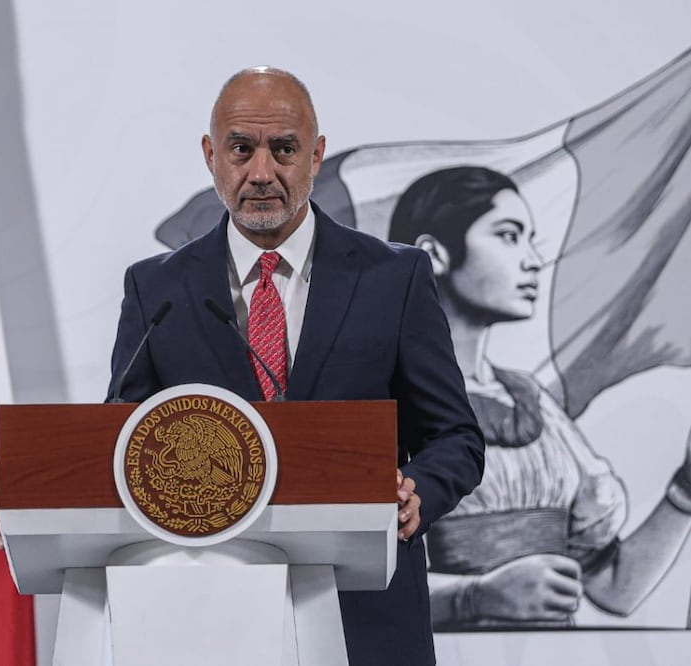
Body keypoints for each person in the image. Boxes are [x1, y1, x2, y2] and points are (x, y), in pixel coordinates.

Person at [102, 67, 485, 665]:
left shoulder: (394, 278)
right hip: (209, 614)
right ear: (210, 155)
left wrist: (417, 491)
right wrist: (33, 496)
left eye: (284, 149)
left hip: (366, 610)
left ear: (316, 155)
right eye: (240, 149)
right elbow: (121, 443)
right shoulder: (157, 288)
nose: (261, 173)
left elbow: (455, 436)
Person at [386, 165, 691, 629]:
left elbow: (613, 587)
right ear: (434, 255)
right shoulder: (383, 399)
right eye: (508, 236)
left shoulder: (533, 401)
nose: (532, 260)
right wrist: (473, 597)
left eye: (531, 240)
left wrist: (685, 490)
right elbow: (353, 584)